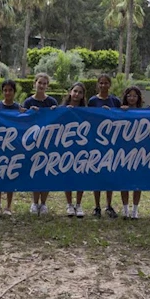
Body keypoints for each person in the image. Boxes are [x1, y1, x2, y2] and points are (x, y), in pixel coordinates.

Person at [22, 73, 58, 215]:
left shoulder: (52, 101)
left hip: (48, 142)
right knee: (35, 171)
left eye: (44, 83)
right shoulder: (28, 102)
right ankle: (34, 202)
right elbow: (22, 120)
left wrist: (54, 112)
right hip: (33, 142)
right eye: (40, 83)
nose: (42, 85)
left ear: (47, 86)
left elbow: (58, 120)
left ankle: (44, 203)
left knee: (46, 171)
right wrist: (29, 113)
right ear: (34, 84)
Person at [0, 79, 26, 217]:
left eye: (10, 90)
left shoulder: (18, 107)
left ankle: (9, 206)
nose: (7, 93)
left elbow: (25, 122)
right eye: (5, 90)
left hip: (13, 146)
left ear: (14, 92)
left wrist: (26, 113)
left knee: (11, 174)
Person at [87, 74, 122, 219]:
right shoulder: (92, 101)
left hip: (111, 141)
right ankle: (97, 206)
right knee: (97, 173)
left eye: (106, 83)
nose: (103, 85)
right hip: (96, 141)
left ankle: (109, 205)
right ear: (98, 85)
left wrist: (112, 113)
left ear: (110, 85)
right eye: (101, 83)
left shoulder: (115, 101)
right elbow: (87, 118)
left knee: (109, 173)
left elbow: (121, 118)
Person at [62, 82, 87, 218]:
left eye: (80, 92)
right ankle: (69, 204)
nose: (77, 94)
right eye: (75, 91)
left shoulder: (86, 110)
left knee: (80, 175)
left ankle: (78, 204)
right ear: (70, 92)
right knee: (68, 174)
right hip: (66, 146)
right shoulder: (62, 109)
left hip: (82, 146)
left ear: (83, 95)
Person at [119, 85, 144, 219]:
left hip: (140, 151)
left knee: (137, 181)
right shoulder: (120, 111)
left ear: (139, 98)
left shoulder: (145, 112)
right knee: (124, 181)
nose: (132, 98)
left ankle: (135, 209)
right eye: (129, 96)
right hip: (123, 151)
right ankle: (125, 209)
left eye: (135, 96)